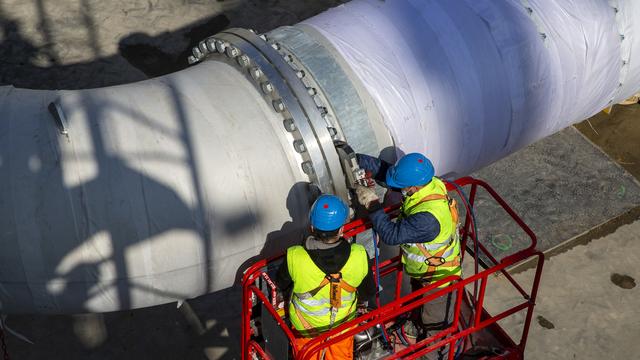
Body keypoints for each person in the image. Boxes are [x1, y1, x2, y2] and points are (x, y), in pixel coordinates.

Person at [354, 152, 460, 360]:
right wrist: (355, 159)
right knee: (420, 312)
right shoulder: (427, 185)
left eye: (404, 186)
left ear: (414, 187)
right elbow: (389, 174)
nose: (401, 189)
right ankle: (417, 327)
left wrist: (373, 205)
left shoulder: (429, 218)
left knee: (435, 332)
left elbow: (391, 235)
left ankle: (433, 356)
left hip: (439, 283)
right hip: (425, 274)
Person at [276, 194, 375, 360]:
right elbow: (368, 292)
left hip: (305, 331)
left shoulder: (295, 256)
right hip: (342, 329)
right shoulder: (359, 255)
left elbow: (281, 283)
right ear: (342, 228)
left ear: (313, 228)